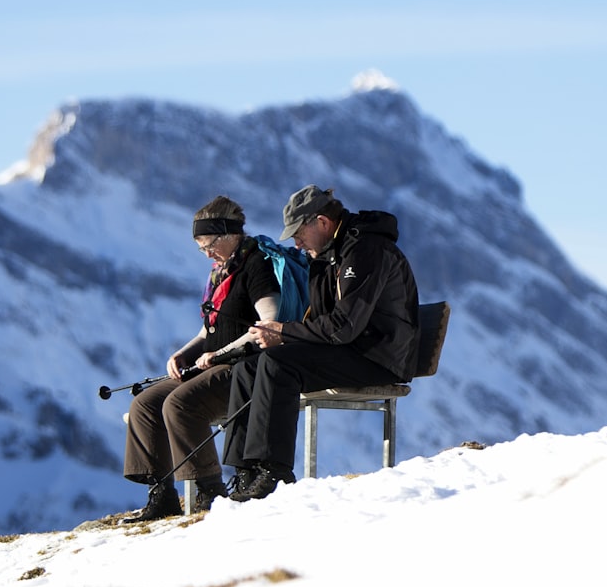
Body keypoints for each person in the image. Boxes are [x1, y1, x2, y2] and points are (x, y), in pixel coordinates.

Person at [222, 185, 420, 502]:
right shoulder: (327, 255)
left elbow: (344, 326)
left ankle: (274, 470)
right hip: (350, 349)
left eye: (299, 233)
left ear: (322, 222)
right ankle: (245, 470)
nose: (297, 243)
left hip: (378, 355)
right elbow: (325, 322)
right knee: (250, 368)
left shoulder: (365, 250)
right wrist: (282, 334)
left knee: (277, 364)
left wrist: (285, 332)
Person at [122, 195, 281, 520]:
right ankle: (161, 493)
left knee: (180, 404)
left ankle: (211, 493)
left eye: (209, 244)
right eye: (201, 248)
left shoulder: (256, 266)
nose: (207, 253)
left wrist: (219, 353)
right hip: (213, 364)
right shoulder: (220, 273)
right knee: (145, 405)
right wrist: (184, 353)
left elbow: (268, 323)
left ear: (230, 234)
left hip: (244, 368)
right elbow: (208, 331)